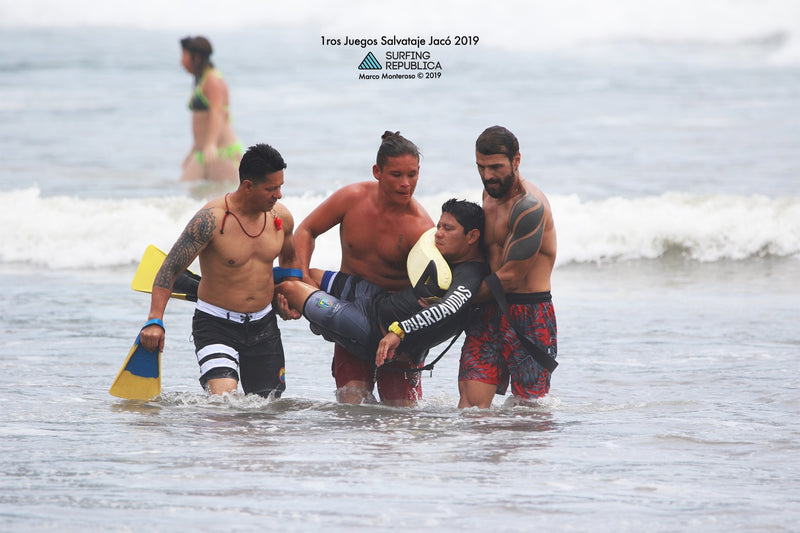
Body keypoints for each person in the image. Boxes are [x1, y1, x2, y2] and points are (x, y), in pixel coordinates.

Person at [139, 143, 300, 397]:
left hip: (264, 327)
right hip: (216, 325)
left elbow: (290, 264)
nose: (278, 195)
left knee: (268, 413)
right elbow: (169, 268)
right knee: (224, 407)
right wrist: (154, 321)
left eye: (280, 187)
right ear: (248, 186)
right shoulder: (211, 220)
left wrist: (286, 298)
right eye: (271, 188)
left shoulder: (281, 219)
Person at [293, 131, 434, 406]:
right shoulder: (352, 198)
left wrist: (407, 337)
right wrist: (305, 277)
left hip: (394, 326)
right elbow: (306, 230)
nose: (406, 184)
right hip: (351, 308)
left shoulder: (420, 228)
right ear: (377, 172)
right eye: (396, 175)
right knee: (352, 406)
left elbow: (431, 296)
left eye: (413, 174)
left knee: (401, 415)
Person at [277, 199, 488, 371]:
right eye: (439, 226)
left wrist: (399, 331)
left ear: (472, 236)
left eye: (448, 229)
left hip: (369, 326)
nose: (438, 233)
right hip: (373, 297)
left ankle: (262, 308)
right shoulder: (449, 254)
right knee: (307, 275)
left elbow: (448, 308)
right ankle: (294, 311)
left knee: (289, 289)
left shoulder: (470, 273)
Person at [458, 126, 558, 408]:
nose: (488, 175)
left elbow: (512, 276)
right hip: (487, 309)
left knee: (529, 413)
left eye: (495, 167)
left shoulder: (529, 206)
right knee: (471, 409)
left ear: (516, 160)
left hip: (528, 313)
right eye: (481, 167)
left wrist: (455, 300)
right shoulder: (488, 194)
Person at [179, 36, 243, 183]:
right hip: (204, 152)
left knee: (223, 198)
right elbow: (202, 121)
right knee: (187, 192)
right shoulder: (201, 80)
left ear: (196, 57)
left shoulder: (212, 79)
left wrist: (211, 144)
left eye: (184, 56)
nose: (181, 62)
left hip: (221, 152)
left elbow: (217, 112)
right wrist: (193, 150)